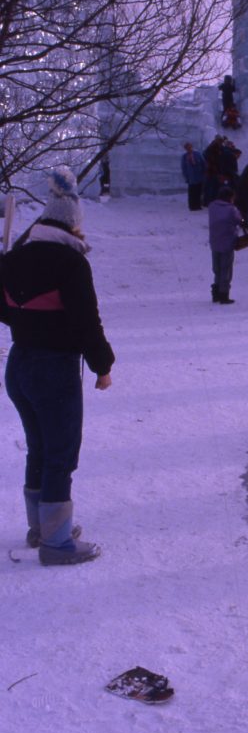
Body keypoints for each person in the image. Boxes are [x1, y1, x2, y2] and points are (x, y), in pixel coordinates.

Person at [0, 168, 114, 565]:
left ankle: (42, 529)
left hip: (19, 366)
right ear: (73, 226)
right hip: (54, 369)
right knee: (60, 454)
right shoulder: (70, 262)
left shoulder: (14, 257)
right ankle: (56, 544)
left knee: (39, 449)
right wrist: (103, 365)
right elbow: (86, 321)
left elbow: (5, 311)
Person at [208, 186, 243, 304]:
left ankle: (216, 292)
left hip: (214, 241)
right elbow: (239, 220)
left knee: (216, 268)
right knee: (226, 269)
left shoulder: (212, 206)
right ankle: (224, 294)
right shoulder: (231, 209)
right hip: (227, 242)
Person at [181, 142, 205, 211]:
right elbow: (184, 168)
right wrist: (186, 177)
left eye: (189, 147)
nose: (188, 149)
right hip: (191, 178)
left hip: (199, 176)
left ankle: (198, 205)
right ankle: (192, 206)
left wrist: (204, 172)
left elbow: (203, 163)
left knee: (199, 191)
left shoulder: (198, 154)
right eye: (187, 148)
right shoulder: (184, 157)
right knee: (191, 192)